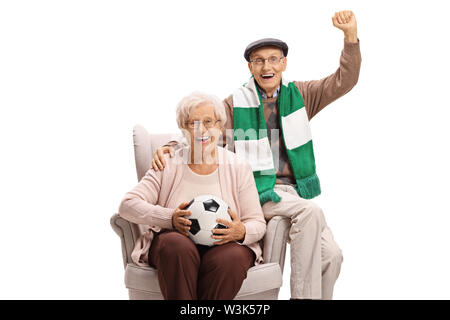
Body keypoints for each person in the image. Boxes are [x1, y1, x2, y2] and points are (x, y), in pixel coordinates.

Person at [151, 10, 361, 299]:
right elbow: (203, 126)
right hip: (258, 191)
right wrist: (172, 146)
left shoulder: (301, 95)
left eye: (274, 59)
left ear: (284, 63)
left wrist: (350, 38)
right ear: (250, 67)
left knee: (332, 256)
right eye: (259, 60)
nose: (267, 66)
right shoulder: (236, 104)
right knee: (311, 211)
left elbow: (343, 81)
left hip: (293, 192)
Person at [118, 91, 266, 300]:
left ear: (220, 126)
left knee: (231, 257)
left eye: (208, 122)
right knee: (176, 246)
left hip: (225, 247)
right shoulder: (167, 163)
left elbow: (257, 223)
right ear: (183, 129)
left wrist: (240, 231)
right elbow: (127, 205)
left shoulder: (238, 167)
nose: (201, 130)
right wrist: (169, 218)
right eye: (192, 123)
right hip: (176, 244)